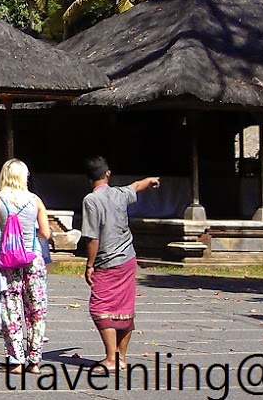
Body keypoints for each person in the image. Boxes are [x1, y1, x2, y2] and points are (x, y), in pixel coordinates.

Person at [80, 155, 160, 374]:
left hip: (107, 261)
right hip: (127, 258)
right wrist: (151, 180)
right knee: (124, 307)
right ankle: (120, 357)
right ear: (108, 174)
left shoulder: (91, 200)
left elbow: (92, 237)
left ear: (88, 178)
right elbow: (136, 186)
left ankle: (111, 358)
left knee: (100, 307)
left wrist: (90, 264)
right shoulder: (119, 194)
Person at [0, 159, 52, 374]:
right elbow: (46, 233)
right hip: (33, 258)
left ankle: (16, 359)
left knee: (10, 308)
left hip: (8, 261)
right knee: (36, 309)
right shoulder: (35, 200)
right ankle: (35, 360)